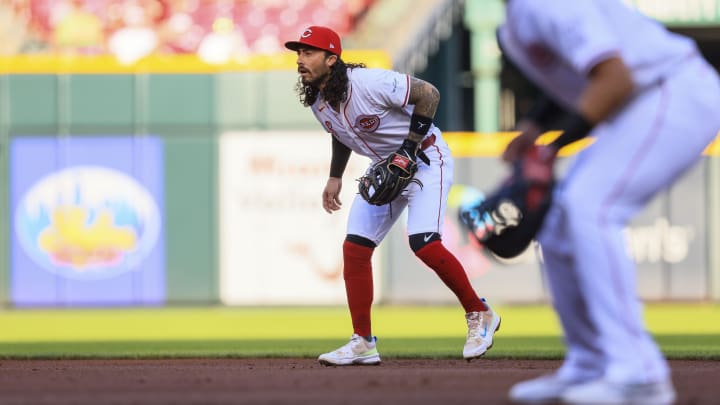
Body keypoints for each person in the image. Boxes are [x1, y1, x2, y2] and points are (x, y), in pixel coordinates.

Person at [494, 1, 720, 404]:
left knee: (589, 207)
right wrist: (534, 129)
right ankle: (591, 365)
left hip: (672, 92)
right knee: (559, 221)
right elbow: (578, 75)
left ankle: (640, 373)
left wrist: (553, 149)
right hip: (642, 105)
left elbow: (615, 78)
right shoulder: (513, 26)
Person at [284, 25, 501, 366]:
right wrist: (335, 176)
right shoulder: (319, 100)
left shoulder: (369, 83)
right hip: (387, 171)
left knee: (424, 242)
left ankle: (479, 313)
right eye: (298, 53)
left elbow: (429, 94)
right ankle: (363, 342)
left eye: (308, 52)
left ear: (331, 58)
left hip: (427, 159)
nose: (300, 59)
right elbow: (340, 134)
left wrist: (407, 150)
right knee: (354, 249)